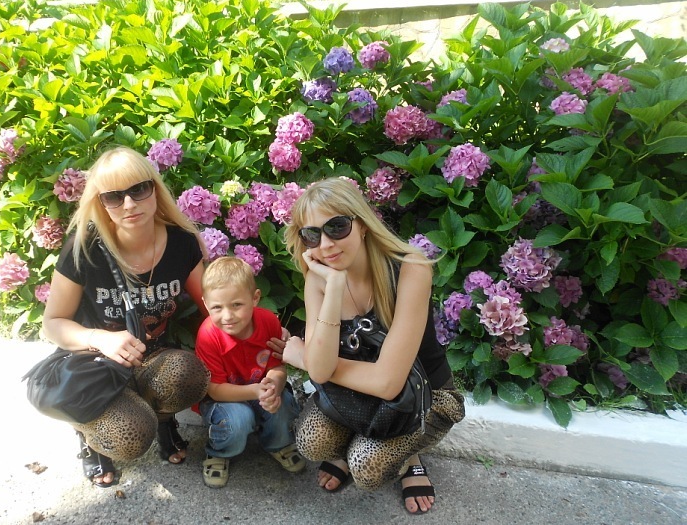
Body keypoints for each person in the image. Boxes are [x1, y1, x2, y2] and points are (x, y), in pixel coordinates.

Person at [281, 177, 465, 514]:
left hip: (422, 396)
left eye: (337, 227)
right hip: (358, 395)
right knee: (311, 442)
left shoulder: (410, 268)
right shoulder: (320, 278)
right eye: (312, 235)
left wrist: (306, 359)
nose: (326, 244)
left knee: (367, 467)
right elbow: (323, 370)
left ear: (363, 224)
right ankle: (359, 438)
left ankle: (410, 458)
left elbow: (388, 382)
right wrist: (334, 287)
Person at [42, 146, 211, 487]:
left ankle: (162, 420)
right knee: (130, 439)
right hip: (97, 365)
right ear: (101, 203)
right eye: (114, 197)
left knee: (190, 374)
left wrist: (260, 334)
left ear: (155, 189)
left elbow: (211, 307)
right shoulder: (84, 248)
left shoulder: (182, 243)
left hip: (152, 358)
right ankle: (90, 435)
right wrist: (101, 339)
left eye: (138, 189)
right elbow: (53, 323)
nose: (129, 204)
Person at [194, 256, 306, 488]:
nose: (227, 316)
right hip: (223, 400)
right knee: (238, 419)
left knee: (282, 403)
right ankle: (220, 451)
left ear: (255, 298)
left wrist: (273, 387)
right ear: (205, 304)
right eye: (217, 307)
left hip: (258, 390)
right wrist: (257, 391)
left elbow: (276, 366)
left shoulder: (268, 322)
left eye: (237, 305)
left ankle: (277, 443)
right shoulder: (208, 335)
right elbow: (215, 390)